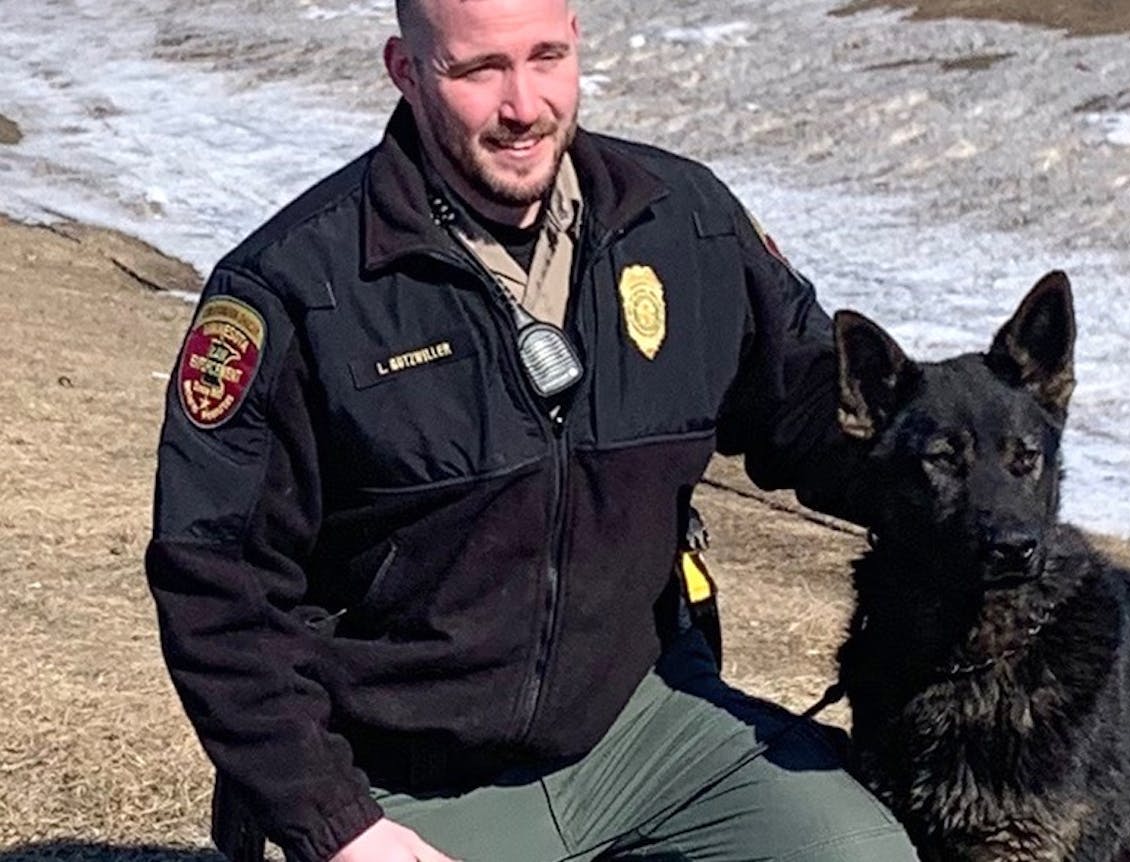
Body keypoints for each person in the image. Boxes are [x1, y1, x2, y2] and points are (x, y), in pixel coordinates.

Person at [145, 1, 917, 860]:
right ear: (405, 69)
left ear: (577, 42)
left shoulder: (683, 221)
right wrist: (337, 826)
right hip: (397, 766)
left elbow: (819, 416)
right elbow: (218, 585)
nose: (523, 105)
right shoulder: (298, 287)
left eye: (545, 57)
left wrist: (978, 459)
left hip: (640, 720)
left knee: (861, 854)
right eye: (479, 70)